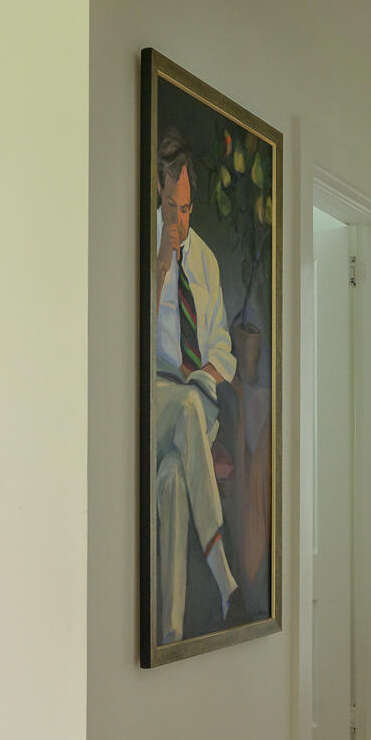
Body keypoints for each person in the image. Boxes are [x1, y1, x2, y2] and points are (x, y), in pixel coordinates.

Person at [151, 128, 238, 641]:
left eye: (185, 208)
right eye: (169, 205)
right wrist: (161, 266)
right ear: (157, 196)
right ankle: (221, 569)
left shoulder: (206, 261)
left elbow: (223, 347)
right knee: (181, 406)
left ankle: (170, 633)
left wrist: (205, 378)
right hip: (154, 401)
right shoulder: (144, 248)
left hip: (195, 402)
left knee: (171, 483)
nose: (178, 221)